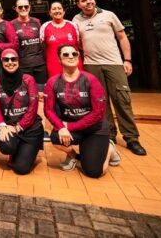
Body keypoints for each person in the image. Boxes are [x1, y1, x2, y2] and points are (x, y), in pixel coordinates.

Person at [72, 0, 147, 156]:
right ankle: (109, 135)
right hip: (91, 65)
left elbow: (122, 37)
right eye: (84, 0)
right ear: (78, 4)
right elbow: (78, 43)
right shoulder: (76, 20)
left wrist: (126, 60)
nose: (88, 2)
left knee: (122, 99)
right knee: (100, 102)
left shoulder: (109, 15)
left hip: (114, 63)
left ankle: (131, 138)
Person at [44, 44, 120, 178]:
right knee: (55, 137)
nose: (71, 56)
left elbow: (98, 114)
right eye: (66, 54)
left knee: (95, 172)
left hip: (95, 129)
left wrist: (69, 126)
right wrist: (61, 127)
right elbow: (48, 110)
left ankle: (109, 148)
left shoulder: (91, 80)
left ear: (78, 57)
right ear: (59, 59)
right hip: (73, 130)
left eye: (74, 54)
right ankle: (73, 156)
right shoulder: (53, 82)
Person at [0, 49, 44, 175]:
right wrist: (2, 126)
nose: (10, 62)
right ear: (1, 62)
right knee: (6, 146)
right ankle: (15, 150)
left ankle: (29, 149)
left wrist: (19, 126)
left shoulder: (28, 79)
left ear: (18, 61)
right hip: (8, 125)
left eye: (13, 59)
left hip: (29, 129)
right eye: (6, 59)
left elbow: (33, 107)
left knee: (21, 169)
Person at [11, 0, 47, 88]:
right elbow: (11, 46)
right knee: (25, 94)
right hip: (23, 65)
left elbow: (43, 41)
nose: (23, 8)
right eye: (20, 7)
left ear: (30, 7)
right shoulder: (11, 24)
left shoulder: (37, 21)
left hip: (40, 64)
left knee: (41, 93)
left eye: (26, 6)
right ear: (16, 9)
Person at [40, 1, 82, 78]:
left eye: (59, 8)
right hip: (53, 65)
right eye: (54, 9)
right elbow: (42, 47)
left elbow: (79, 44)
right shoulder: (44, 27)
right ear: (50, 13)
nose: (57, 11)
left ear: (64, 11)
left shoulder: (73, 25)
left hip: (74, 64)